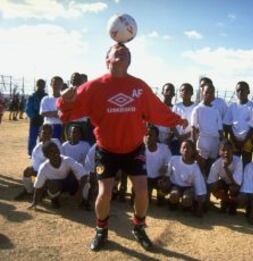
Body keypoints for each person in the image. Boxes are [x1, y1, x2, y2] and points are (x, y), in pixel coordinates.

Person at [56, 43, 188, 251]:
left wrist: (177, 120)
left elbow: (157, 110)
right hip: (106, 150)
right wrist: (65, 101)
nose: (121, 49)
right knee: (104, 194)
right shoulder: (94, 87)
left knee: (142, 191)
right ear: (107, 59)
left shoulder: (139, 87)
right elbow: (66, 113)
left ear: (129, 61)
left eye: (125, 51)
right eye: (115, 50)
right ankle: (101, 230)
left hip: (134, 149)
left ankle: (138, 227)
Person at [28, 141, 91, 210]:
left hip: (69, 183)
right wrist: (34, 202)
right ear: (46, 155)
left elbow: (84, 174)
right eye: (51, 152)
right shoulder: (43, 168)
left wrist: (80, 191)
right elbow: (38, 187)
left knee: (81, 178)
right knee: (52, 184)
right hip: (56, 186)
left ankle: (83, 200)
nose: (56, 153)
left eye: (57, 150)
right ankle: (54, 199)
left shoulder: (67, 160)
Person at [15, 124, 62, 200]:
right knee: (27, 171)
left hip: (56, 171)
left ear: (52, 134)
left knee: (53, 184)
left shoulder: (57, 143)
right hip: (41, 172)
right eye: (44, 133)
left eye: (49, 133)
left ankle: (54, 199)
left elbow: (60, 160)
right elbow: (36, 167)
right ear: (40, 133)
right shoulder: (37, 148)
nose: (46, 135)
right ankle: (29, 191)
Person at [164, 140, 207, 217]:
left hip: (188, 188)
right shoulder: (173, 159)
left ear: (193, 151)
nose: (186, 150)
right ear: (180, 150)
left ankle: (188, 205)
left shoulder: (195, 167)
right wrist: (164, 183)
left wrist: (200, 208)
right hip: (175, 185)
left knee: (186, 199)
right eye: (183, 147)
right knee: (174, 195)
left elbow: (199, 187)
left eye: (188, 148)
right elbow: (167, 174)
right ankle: (172, 203)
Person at [191, 83, 223, 176]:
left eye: (212, 92)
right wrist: (194, 147)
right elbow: (193, 129)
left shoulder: (216, 110)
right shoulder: (197, 109)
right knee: (200, 169)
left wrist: (222, 143)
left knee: (211, 169)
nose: (209, 94)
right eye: (207, 92)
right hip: (202, 143)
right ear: (202, 93)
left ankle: (208, 188)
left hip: (214, 143)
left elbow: (220, 129)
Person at [224, 81, 253, 165]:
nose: (240, 92)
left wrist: (244, 141)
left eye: (243, 90)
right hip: (233, 141)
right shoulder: (232, 106)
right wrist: (234, 140)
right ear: (236, 92)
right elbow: (227, 125)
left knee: (246, 164)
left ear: (248, 91)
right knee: (234, 164)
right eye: (238, 90)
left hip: (247, 141)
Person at [207, 141, 243, 215]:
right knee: (215, 186)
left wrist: (226, 168)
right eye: (223, 150)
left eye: (229, 149)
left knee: (233, 188)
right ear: (219, 152)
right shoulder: (216, 164)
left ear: (233, 150)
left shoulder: (238, 161)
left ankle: (233, 205)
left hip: (235, 185)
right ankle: (225, 201)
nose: (226, 152)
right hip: (224, 183)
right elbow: (210, 184)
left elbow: (237, 182)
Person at [144, 125, 172, 205]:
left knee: (165, 185)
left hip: (160, 179)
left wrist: (165, 175)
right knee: (145, 200)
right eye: (146, 134)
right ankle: (146, 192)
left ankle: (161, 196)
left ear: (156, 137)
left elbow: (170, 165)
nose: (148, 137)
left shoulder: (165, 148)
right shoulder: (141, 149)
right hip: (145, 179)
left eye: (151, 135)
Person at [171, 83, 197, 155]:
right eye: (182, 90)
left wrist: (185, 136)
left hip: (190, 141)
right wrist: (179, 137)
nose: (184, 92)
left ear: (192, 93)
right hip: (176, 140)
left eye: (187, 90)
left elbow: (198, 127)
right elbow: (171, 124)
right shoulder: (176, 106)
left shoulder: (196, 107)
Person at [25, 79, 48, 156]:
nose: (41, 86)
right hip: (34, 120)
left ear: (44, 86)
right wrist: (34, 116)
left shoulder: (46, 96)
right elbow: (28, 109)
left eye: (42, 84)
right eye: (39, 84)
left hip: (44, 120)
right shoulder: (32, 96)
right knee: (32, 137)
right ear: (37, 85)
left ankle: (43, 152)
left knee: (44, 137)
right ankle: (31, 153)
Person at [40, 76, 63, 140]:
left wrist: (51, 113)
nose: (56, 86)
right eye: (54, 83)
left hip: (61, 127)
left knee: (59, 147)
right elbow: (43, 113)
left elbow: (65, 113)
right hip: (47, 127)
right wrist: (57, 113)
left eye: (58, 84)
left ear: (61, 85)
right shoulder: (46, 99)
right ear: (51, 84)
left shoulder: (64, 99)